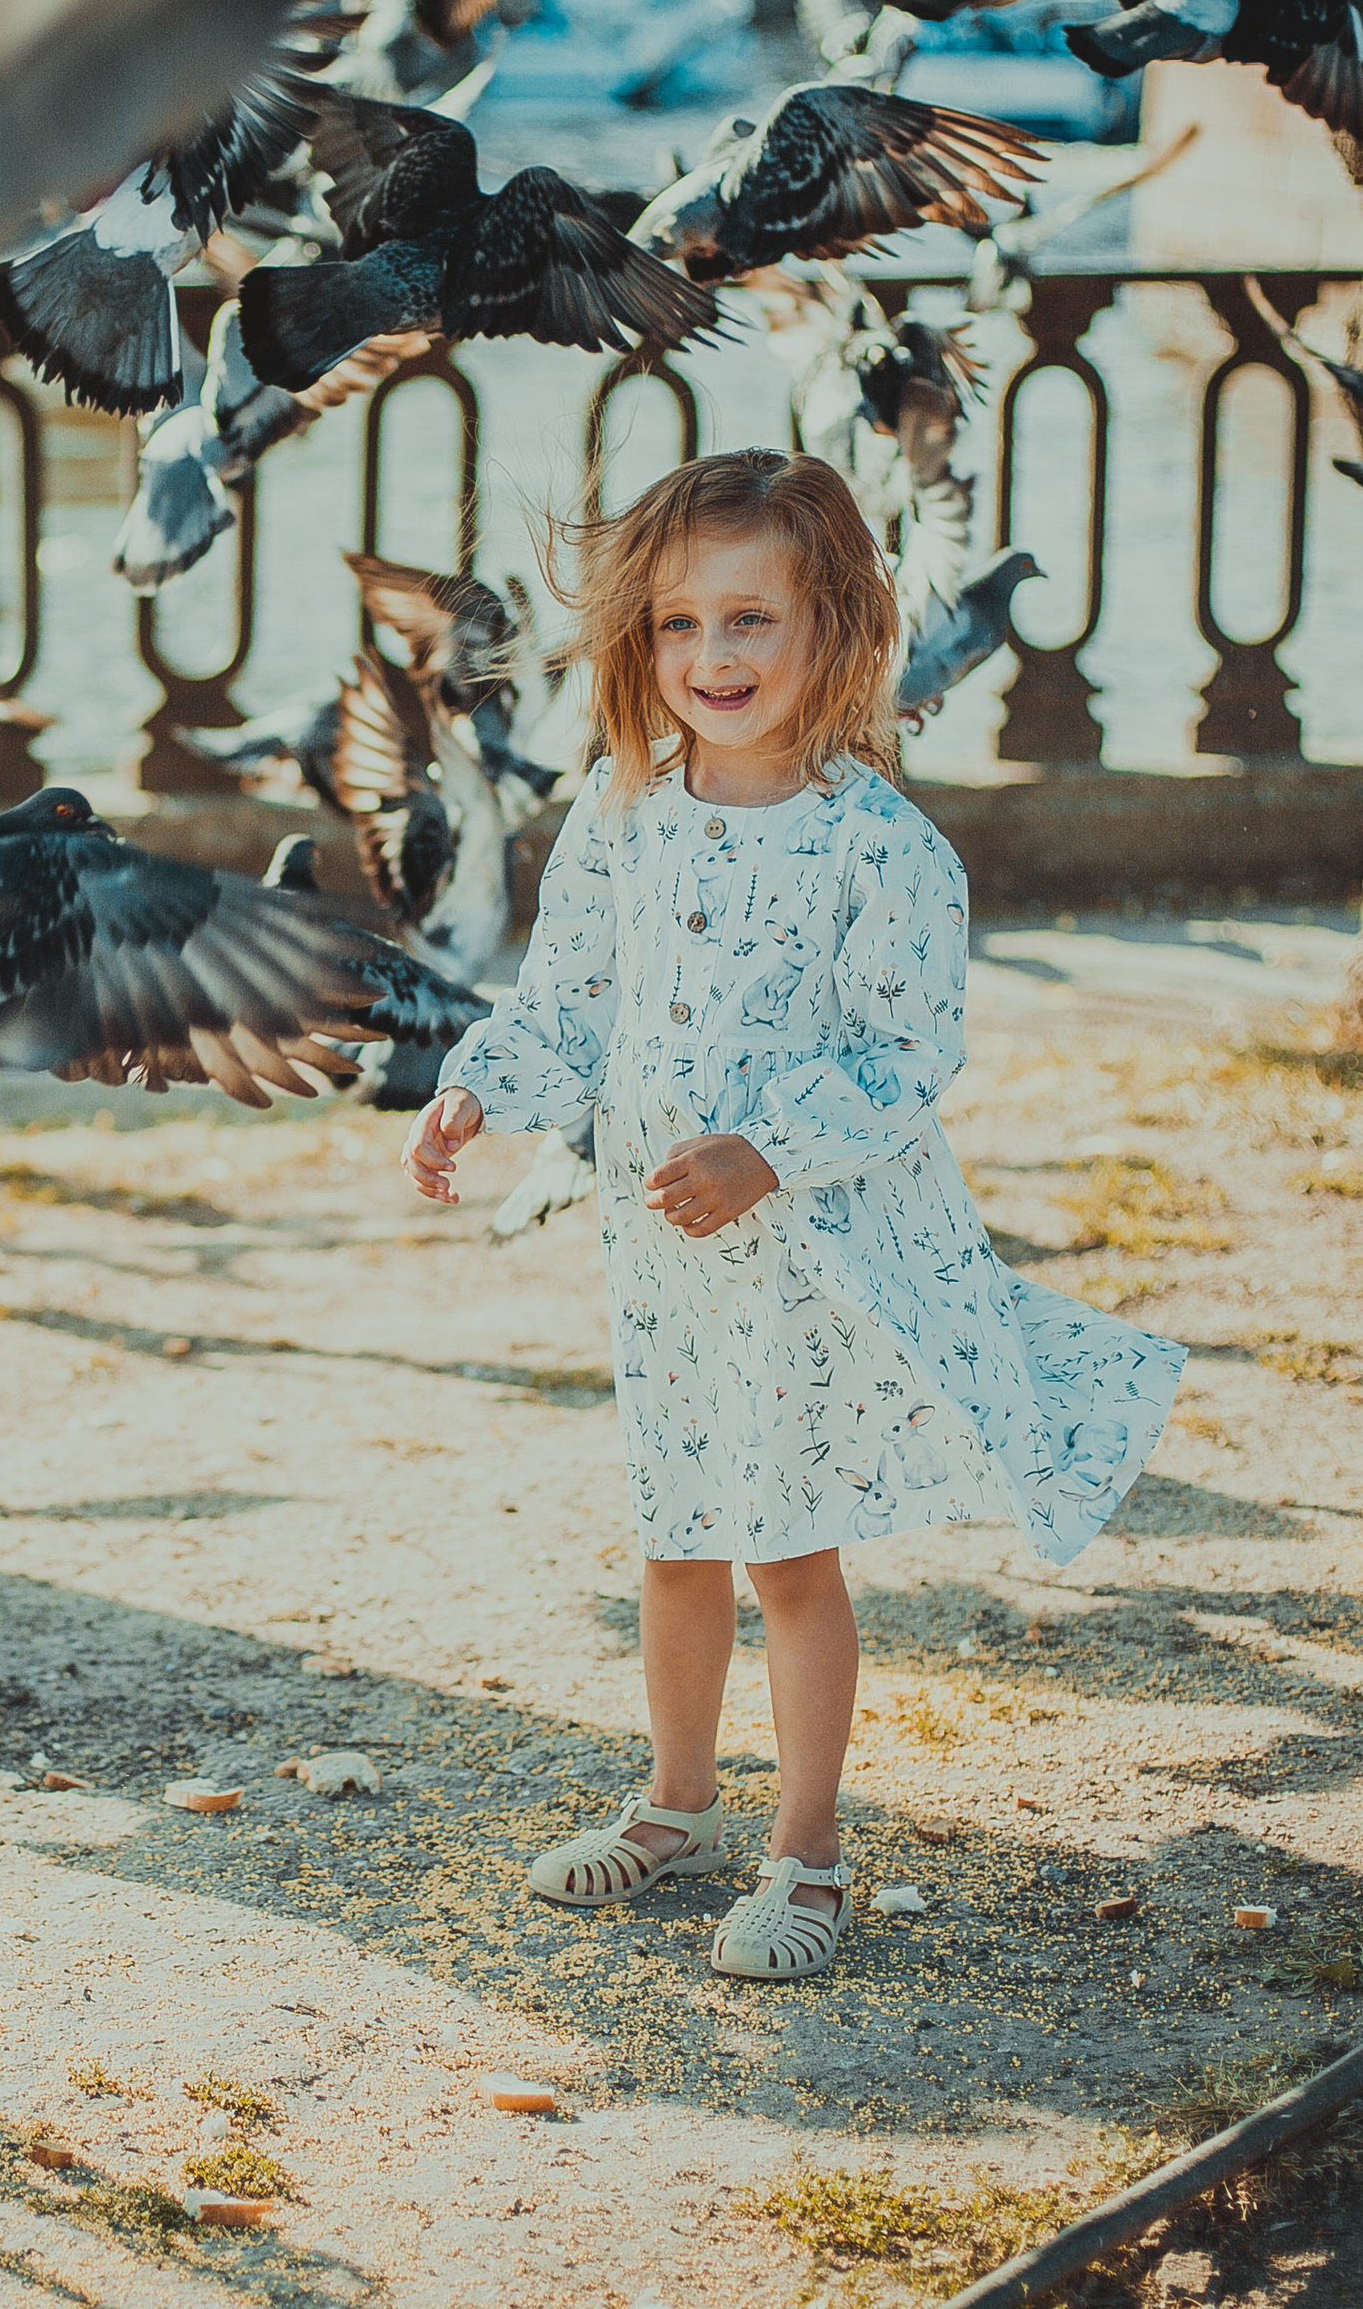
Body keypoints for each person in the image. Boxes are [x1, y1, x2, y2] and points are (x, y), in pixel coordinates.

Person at [401, 448, 1182, 1981]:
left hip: (806, 1255)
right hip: (660, 1258)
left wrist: (768, 1147)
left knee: (784, 1551)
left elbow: (911, 1051)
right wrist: (478, 1088)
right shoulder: (622, 815)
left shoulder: (878, 844)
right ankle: (675, 1803)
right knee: (675, 1532)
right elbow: (570, 1001)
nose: (713, 658)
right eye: (680, 626)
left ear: (835, 625)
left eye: (750, 620)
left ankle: (807, 1856)